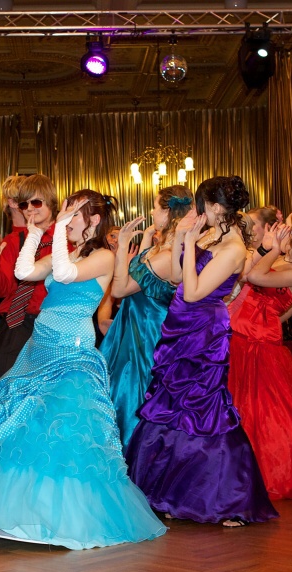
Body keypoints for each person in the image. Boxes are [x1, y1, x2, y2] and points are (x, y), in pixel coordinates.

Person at [0, 190, 166, 550]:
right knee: (23, 423)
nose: (66, 218)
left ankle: (60, 514)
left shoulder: (104, 256)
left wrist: (57, 229)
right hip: (38, 347)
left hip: (71, 350)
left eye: (73, 213)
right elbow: (24, 272)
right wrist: (33, 234)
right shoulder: (68, 251)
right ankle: (16, 508)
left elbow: (64, 274)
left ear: (94, 220)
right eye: (65, 213)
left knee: (61, 428)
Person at [125, 176, 277, 527]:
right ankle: (167, 493)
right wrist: (182, 239)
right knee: (171, 406)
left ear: (216, 207)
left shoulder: (234, 248)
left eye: (201, 203)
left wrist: (191, 244)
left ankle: (228, 498)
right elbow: (179, 279)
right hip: (180, 324)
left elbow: (195, 293)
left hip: (204, 331)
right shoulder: (210, 235)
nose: (196, 209)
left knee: (203, 408)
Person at [231, 211, 292, 500]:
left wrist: (271, 250)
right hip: (240, 336)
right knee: (238, 406)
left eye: (287, 228)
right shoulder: (279, 260)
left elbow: (255, 276)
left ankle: (264, 473)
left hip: (260, 347)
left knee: (263, 412)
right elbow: (246, 283)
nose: (283, 231)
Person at [100, 185, 191, 450]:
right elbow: (134, 273)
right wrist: (148, 237)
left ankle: (133, 455)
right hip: (133, 327)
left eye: (155, 206)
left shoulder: (167, 257)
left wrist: (123, 246)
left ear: (168, 212)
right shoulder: (162, 250)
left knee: (135, 394)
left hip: (146, 335)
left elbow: (119, 289)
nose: (151, 212)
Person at [0, 174, 59, 395]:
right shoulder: (14, 240)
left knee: (49, 393)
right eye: (24, 204)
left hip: (53, 324)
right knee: (3, 387)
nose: (30, 209)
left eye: (37, 202)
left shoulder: (67, 239)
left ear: (51, 202)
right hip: (17, 323)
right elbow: (2, 290)